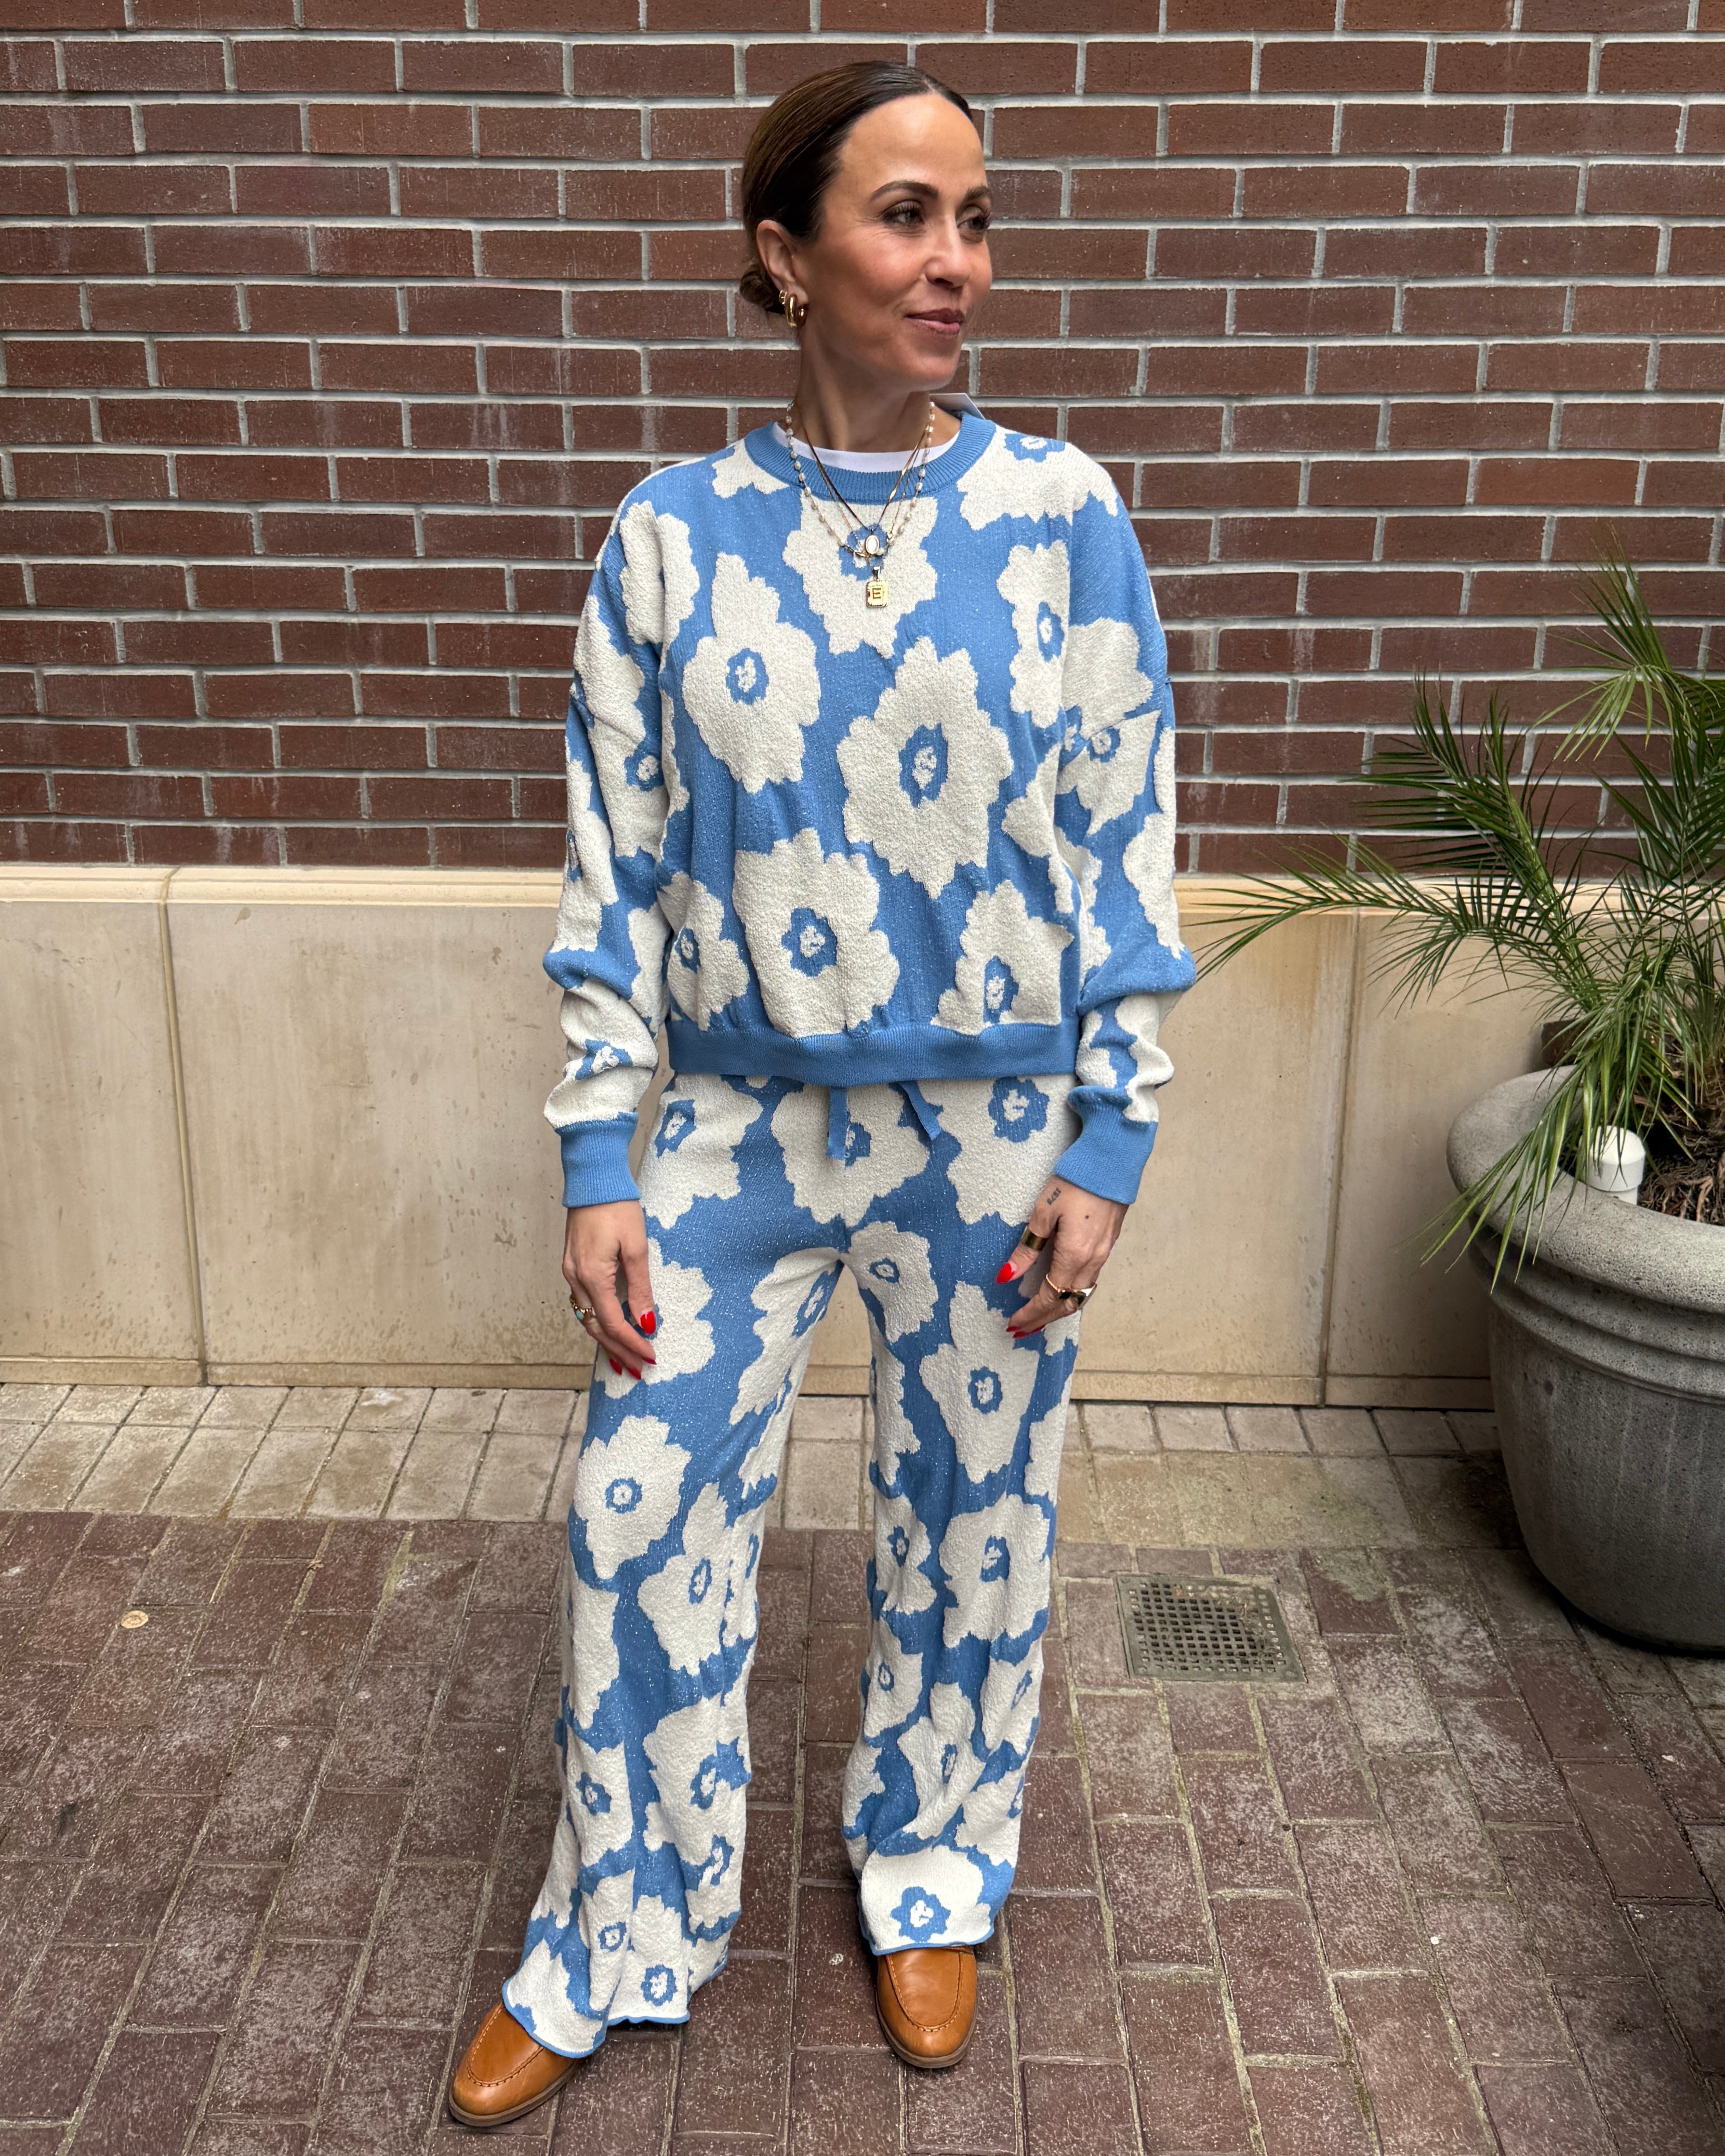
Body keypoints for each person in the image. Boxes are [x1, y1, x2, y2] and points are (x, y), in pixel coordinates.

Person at [447, 57, 1193, 2131]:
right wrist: (597, 1155)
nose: (953, 260)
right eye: (900, 215)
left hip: (990, 1135)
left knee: (975, 1529)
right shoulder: (668, 541)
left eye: (973, 216)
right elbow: (610, 876)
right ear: (782, 255)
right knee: (634, 1510)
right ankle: (619, 1927)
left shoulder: (1062, 516)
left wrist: (1110, 1134)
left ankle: (932, 1874)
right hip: (724, 1130)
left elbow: (1123, 834)